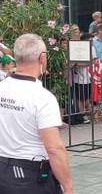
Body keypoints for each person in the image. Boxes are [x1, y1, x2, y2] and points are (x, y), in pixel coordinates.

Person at [0, 34, 73, 193]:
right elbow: (54, 148)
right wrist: (67, 187)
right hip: (28, 174)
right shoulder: (42, 98)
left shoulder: (2, 87)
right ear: (42, 57)